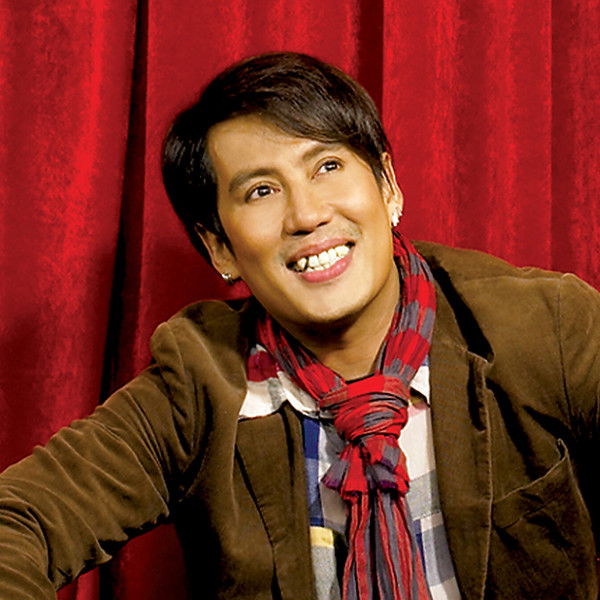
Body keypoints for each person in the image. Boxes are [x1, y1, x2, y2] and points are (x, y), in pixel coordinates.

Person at [0, 51, 598, 600]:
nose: (307, 215)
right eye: (261, 191)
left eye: (328, 165)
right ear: (220, 249)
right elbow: (19, 523)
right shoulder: (198, 383)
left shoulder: (545, 326)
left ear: (388, 187)